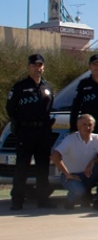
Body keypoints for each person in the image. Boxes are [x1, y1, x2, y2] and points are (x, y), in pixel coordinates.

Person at [6, 54, 56, 210]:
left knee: (42, 167)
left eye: (40, 65)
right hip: (26, 131)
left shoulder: (47, 87)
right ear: (29, 67)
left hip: (43, 131)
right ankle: (17, 201)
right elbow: (10, 108)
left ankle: (43, 200)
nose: (37, 68)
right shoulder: (19, 87)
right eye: (34, 65)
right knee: (22, 166)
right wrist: (19, 123)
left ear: (44, 67)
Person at [51, 114, 98, 210]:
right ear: (78, 126)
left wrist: (93, 161)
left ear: (93, 127)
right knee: (79, 191)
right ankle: (70, 200)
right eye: (84, 124)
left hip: (88, 174)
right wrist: (67, 174)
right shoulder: (70, 139)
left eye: (90, 125)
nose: (87, 127)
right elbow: (55, 156)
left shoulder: (97, 138)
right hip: (72, 176)